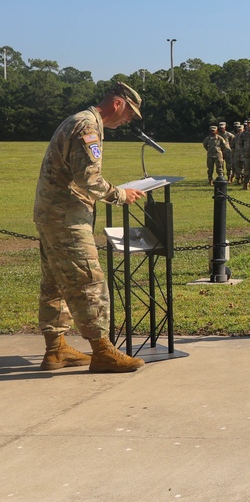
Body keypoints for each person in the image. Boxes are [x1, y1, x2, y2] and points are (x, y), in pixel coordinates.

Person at [35, 82, 147, 373]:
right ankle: (103, 351)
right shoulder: (88, 126)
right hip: (66, 218)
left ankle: (56, 349)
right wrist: (121, 194)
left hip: (52, 215)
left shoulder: (79, 120)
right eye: (130, 114)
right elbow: (88, 179)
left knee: (55, 282)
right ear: (118, 104)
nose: (128, 121)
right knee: (89, 280)